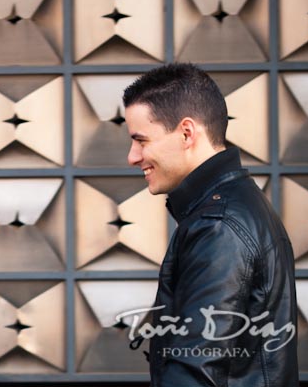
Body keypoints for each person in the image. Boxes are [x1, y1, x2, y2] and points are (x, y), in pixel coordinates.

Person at [122, 63, 299, 385]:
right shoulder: (234, 206)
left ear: (187, 133)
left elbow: (196, 368)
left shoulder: (219, 226)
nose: (132, 156)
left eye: (141, 140)